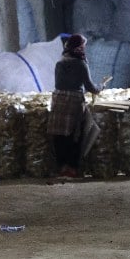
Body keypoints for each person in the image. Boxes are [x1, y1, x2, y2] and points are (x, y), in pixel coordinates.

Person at [48, 34, 100, 178]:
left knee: (59, 135)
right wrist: (100, 88)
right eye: (83, 46)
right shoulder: (80, 64)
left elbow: (59, 84)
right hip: (73, 101)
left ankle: (62, 166)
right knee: (74, 135)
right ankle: (72, 167)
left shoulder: (60, 63)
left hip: (58, 100)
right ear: (79, 48)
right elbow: (90, 87)